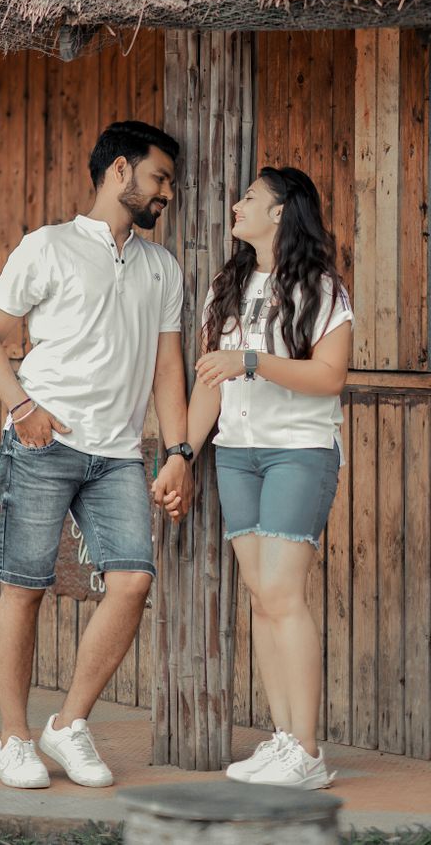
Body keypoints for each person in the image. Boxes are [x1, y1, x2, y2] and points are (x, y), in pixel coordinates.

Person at [0, 120, 193, 791]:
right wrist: (21, 406)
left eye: (172, 185)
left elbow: (167, 373)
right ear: (119, 172)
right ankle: (14, 738)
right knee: (24, 587)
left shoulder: (162, 267)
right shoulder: (48, 247)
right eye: (160, 179)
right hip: (43, 443)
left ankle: (67, 725)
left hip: (120, 454)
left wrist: (178, 452)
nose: (167, 195)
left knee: (131, 582)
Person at [160, 166, 353, 790]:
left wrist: (253, 360)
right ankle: (283, 738)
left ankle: (308, 751)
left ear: (281, 212)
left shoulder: (321, 287)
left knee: (284, 596)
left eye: (249, 197)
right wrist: (184, 454)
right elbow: (210, 382)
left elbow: (328, 378)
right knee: (261, 599)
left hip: (298, 451)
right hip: (237, 454)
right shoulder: (230, 282)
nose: (236, 204)